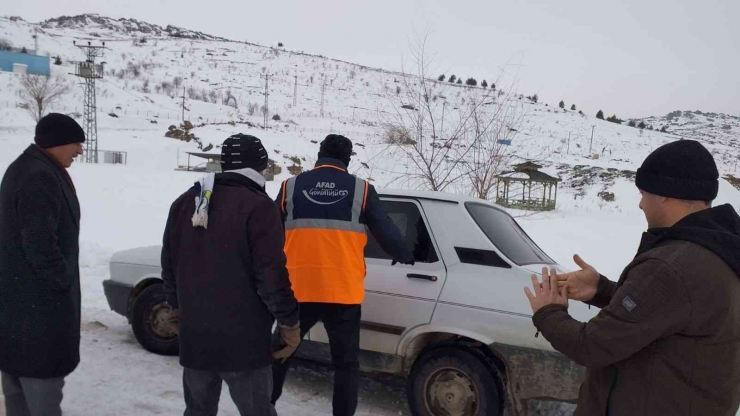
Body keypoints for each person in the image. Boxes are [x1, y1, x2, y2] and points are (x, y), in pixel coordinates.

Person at [524, 140, 740, 416]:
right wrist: (601, 289)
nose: (640, 204)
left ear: (665, 194)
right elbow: (667, 314)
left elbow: (592, 345)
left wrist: (548, 312)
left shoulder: (672, 265)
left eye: (643, 193)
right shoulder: (720, 250)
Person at [271, 134, 415, 416]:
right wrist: (405, 254)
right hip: (343, 293)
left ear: (320, 155)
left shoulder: (290, 186)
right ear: (347, 160)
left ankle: (263, 407)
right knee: (346, 365)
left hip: (298, 289)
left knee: (280, 354)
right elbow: (386, 232)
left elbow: (269, 232)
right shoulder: (361, 189)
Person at [161, 134, 300, 416]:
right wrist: (289, 322)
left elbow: (170, 263)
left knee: (197, 411)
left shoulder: (186, 201)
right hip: (244, 343)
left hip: (196, 337)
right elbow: (271, 275)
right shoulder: (259, 206)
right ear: (261, 166)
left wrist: (176, 306)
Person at [0, 113, 85, 416]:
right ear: (59, 142)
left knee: (17, 396)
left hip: (18, 313)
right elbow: (40, 245)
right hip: (38, 317)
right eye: (77, 143)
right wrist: (61, 284)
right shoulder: (39, 176)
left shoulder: (24, 168)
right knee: (41, 398)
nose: (80, 150)